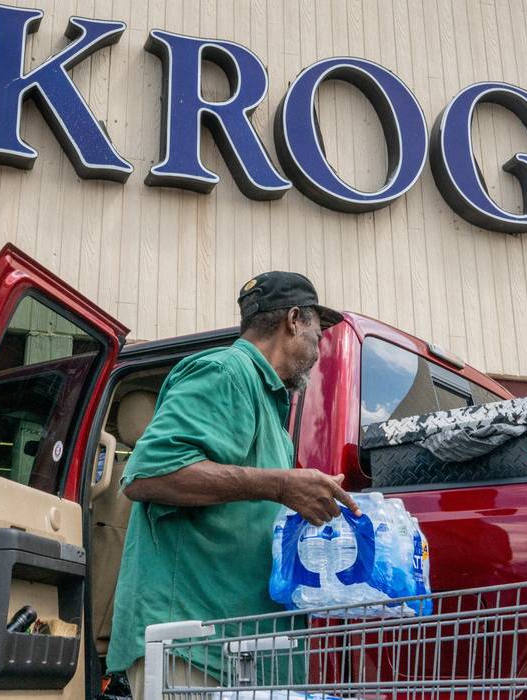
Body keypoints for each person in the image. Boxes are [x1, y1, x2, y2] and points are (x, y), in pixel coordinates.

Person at [107, 271, 361, 699]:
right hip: (193, 649)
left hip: (238, 653)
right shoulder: (227, 372)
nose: (318, 353)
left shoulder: (271, 409)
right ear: (294, 320)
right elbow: (148, 473)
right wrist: (280, 486)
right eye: (317, 337)